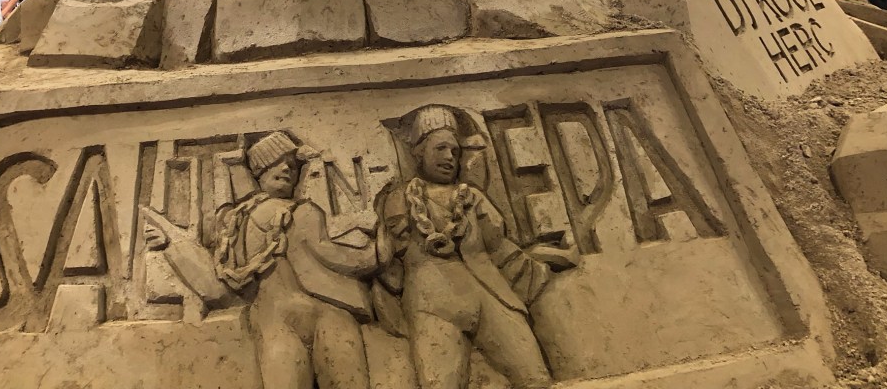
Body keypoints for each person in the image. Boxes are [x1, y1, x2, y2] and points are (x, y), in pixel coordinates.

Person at [143, 131, 387, 389]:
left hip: (321, 315)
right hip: (278, 321)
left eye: (292, 165)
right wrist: (172, 245)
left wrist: (379, 251)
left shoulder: (296, 213)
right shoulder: (238, 226)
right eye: (277, 162)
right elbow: (218, 289)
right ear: (259, 170)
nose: (287, 169)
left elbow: (330, 254)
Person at [379, 105, 578, 389]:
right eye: (440, 148)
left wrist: (549, 259)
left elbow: (500, 248)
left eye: (455, 151)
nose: (450, 157)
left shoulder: (473, 198)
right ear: (419, 153)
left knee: (535, 378)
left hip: (489, 295)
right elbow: (387, 257)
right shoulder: (400, 198)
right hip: (432, 305)